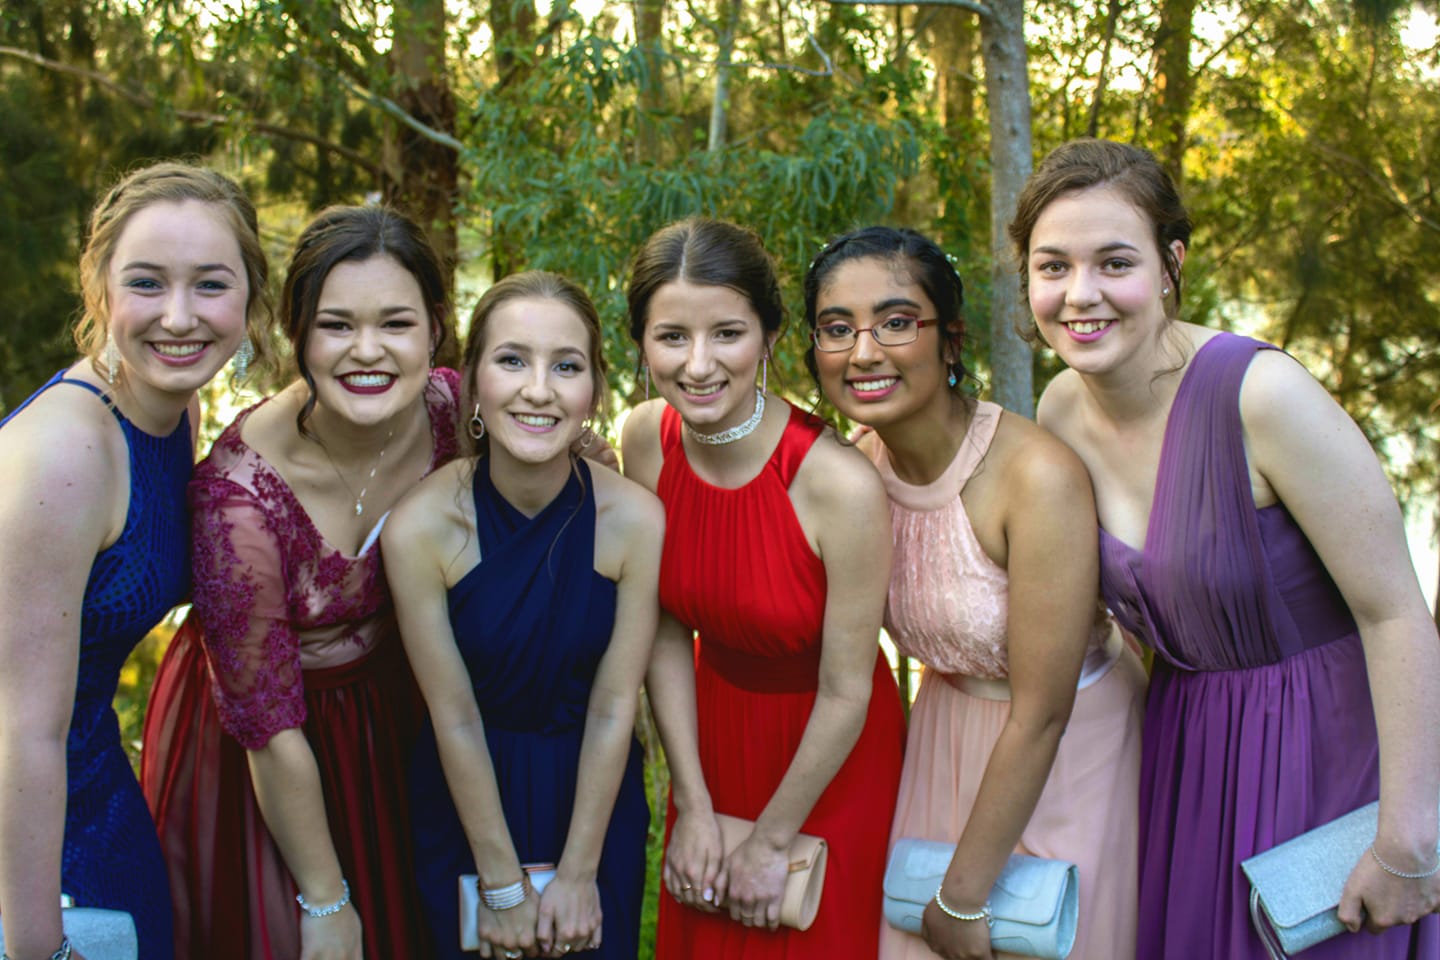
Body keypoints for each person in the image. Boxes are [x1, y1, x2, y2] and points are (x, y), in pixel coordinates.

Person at [1013, 137, 1440, 958]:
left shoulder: (1263, 397)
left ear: (1171, 264)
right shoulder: (1060, 408)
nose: (1080, 294)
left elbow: (1395, 613)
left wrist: (1408, 839)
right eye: (1053, 267)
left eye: (1114, 263)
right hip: (1186, 757)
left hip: (1326, 757)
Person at [803, 225, 1146, 960]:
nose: (864, 352)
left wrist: (961, 895)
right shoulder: (856, 471)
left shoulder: (1035, 476)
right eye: (837, 329)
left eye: (897, 322)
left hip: (1064, 746)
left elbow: (1044, 710)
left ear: (951, 340)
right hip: (941, 735)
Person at [140, 205, 456, 960]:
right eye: (336, 325)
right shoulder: (237, 494)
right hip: (267, 747)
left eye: (396, 324)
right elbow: (267, 723)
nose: (367, 351)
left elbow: (573, 448)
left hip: (396, 715)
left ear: (436, 330)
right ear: (297, 335)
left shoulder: (457, 410)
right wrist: (325, 898)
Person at [0, 161, 269, 960]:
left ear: (249, 298)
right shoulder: (67, 453)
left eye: (210, 285)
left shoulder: (173, 407)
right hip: (29, 817)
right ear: (100, 292)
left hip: (93, 777)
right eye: (147, 283)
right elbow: (18, 729)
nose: (179, 317)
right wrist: (39, 948)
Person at [621, 217, 906, 958]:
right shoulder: (646, 439)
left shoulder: (838, 483)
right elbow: (661, 631)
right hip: (708, 742)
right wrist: (691, 802)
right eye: (672, 336)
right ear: (642, 343)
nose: (699, 364)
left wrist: (773, 839)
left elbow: (847, 689)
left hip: (829, 753)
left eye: (727, 333)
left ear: (770, 336)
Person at [386, 271, 658, 960]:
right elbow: (453, 715)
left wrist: (580, 873)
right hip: (466, 799)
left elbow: (614, 706)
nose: (539, 390)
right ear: (473, 383)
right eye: (512, 360)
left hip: (593, 800)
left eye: (566, 366)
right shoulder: (420, 526)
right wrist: (502, 885)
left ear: (593, 388)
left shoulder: (635, 520)